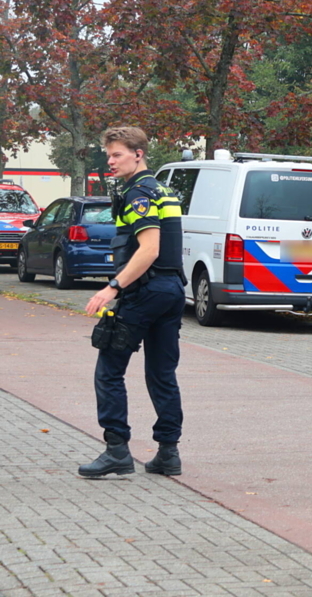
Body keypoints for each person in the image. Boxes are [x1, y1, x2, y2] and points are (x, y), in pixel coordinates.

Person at [81, 127, 186, 478]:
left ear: (138, 153)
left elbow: (150, 248)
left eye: (117, 155)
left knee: (109, 369)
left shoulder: (138, 192)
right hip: (171, 290)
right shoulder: (162, 189)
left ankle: (116, 450)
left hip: (145, 291)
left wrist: (111, 288)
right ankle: (168, 454)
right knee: (161, 372)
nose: (110, 161)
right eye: (108, 155)